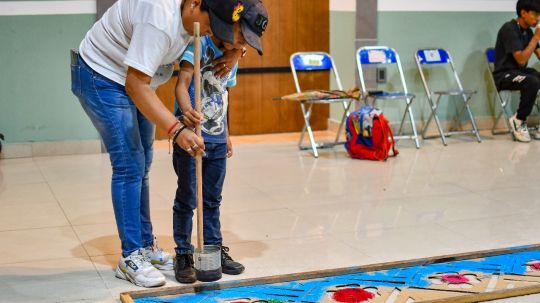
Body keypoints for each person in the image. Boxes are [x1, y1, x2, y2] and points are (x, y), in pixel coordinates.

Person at [70, 0, 256, 288]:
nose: (209, 32)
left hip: (140, 81)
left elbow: (232, 33)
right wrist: (176, 128)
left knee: (142, 164)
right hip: (104, 76)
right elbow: (135, 85)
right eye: (210, 24)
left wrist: (237, 53)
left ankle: (145, 246)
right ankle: (130, 256)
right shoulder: (159, 16)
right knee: (129, 166)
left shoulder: (197, 15)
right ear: (195, 3)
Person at [171, 0, 268, 284]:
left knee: (212, 199)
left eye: (243, 42)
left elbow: (226, 97)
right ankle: (183, 253)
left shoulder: (233, 58)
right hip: (192, 139)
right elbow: (181, 83)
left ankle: (213, 249)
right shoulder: (198, 45)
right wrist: (186, 112)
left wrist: (227, 133)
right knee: (187, 198)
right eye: (238, 38)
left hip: (215, 137)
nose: (239, 43)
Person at [494, 0, 540, 142]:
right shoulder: (509, 29)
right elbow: (521, 60)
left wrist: (534, 38)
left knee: (534, 78)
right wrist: (536, 37)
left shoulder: (528, 31)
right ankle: (518, 120)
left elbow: (538, 53)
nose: (538, 18)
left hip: (520, 73)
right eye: (535, 14)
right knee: (532, 81)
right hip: (504, 75)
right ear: (523, 13)